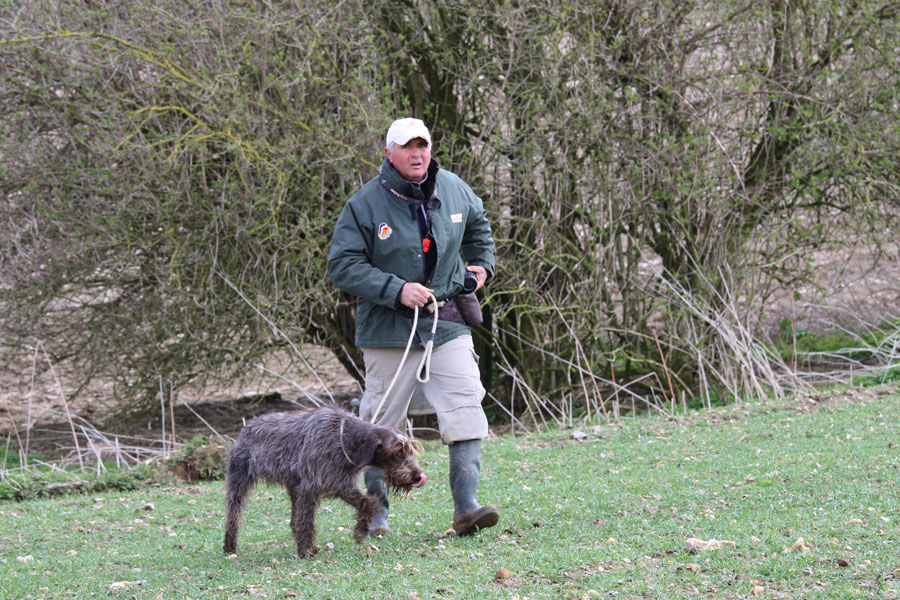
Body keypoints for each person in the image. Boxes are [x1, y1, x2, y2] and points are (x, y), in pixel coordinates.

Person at [327, 117, 499, 536]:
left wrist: (481, 268)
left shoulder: (456, 188)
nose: (417, 153)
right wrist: (396, 289)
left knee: (465, 410)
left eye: (422, 144)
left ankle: (466, 508)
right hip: (389, 329)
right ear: (390, 153)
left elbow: (480, 230)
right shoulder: (364, 205)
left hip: (448, 320)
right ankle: (376, 516)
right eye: (407, 146)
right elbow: (342, 265)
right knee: (378, 428)